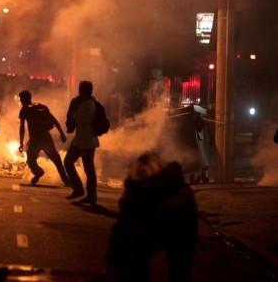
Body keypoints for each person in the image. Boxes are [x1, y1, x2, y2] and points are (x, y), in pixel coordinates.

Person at [106, 153, 198, 282]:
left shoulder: (135, 185)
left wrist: (112, 265)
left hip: (174, 215)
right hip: (183, 216)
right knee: (180, 270)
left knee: (132, 257)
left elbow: (121, 229)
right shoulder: (178, 186)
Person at [18, 90, 70, 185]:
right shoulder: (41, 107)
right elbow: (53, 120)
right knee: (56, 159)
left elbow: (22, 127)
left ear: (24, 99)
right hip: (46, 138)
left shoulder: (24, 109)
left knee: (30, 160)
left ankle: (38, 172)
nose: (20, 101)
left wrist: (21, 143)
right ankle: (66, 180)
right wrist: (61, 133)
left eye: (21, 99)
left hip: (35, 139)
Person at [64, 81, 100, 203]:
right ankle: (78, 189)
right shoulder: (85, 102)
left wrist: (73, 109)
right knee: (68, 162)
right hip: (80, 139)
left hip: (88, 139)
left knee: (88, 168)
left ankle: (91, 195)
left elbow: (78, 117)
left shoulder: (88, 104)